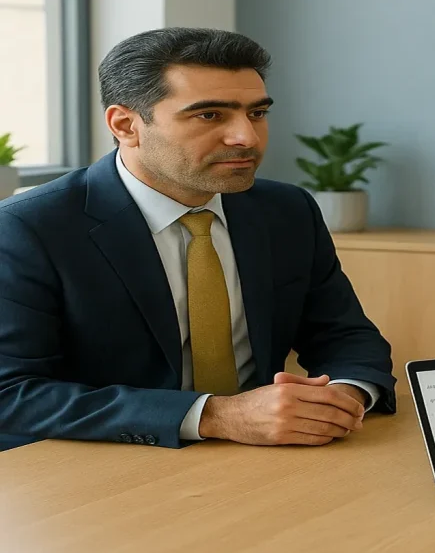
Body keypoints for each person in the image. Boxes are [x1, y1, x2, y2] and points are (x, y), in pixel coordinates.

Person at [0, 28, 396, 451]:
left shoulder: (287, 210)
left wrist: (342, 398)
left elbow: (345, 337)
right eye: (210, 115)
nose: (246, 137)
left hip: (266, 459)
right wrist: (217, 416)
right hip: (107, 471)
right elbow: (12, 393)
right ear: (125, 124)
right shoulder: (28, 229)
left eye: (257, 113)